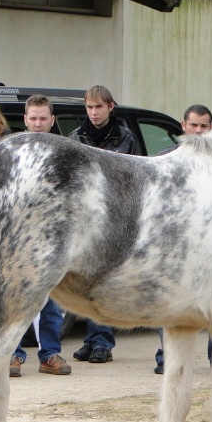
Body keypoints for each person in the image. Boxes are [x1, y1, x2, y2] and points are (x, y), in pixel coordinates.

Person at [70, 85, 137, 364]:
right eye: (89, 107)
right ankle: (92, 338)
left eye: (99, 107)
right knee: (83, 279)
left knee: (102, 278)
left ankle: (101, 342)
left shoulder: (125, 137)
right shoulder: (76, 137)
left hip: (114, 214)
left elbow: (135, 172)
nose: (94, 112)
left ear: (111, 106)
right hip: (83, 214)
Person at [9, 95, 71, 376]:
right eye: (32, 118)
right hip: (19, 238)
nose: (37, 123)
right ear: (24, 120)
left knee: (52, 299)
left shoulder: (65, 154)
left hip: (53, 238)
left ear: (52, 120)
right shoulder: (12, 152)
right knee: (17, 298)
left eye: (43, 118)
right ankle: (13, 354)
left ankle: (50, 355)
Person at [154, 104, 212, 374]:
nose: (198, 131)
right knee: (170, 301)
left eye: (204, 126)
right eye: (194, 125)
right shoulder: (165, 160)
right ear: (183, 126)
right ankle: (165, 358)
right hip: (175, 245)